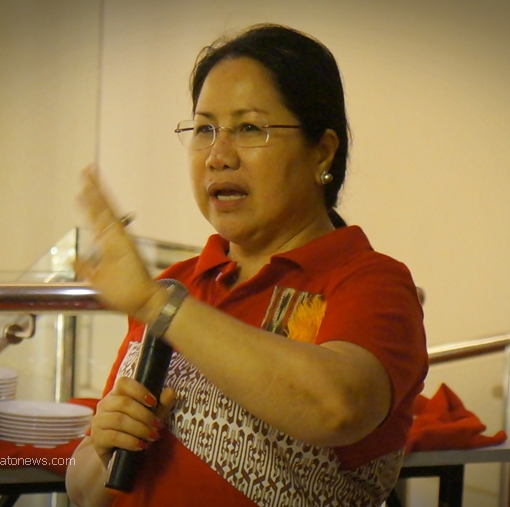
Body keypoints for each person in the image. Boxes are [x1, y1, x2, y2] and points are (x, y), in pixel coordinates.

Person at [66, 23, 428, 507]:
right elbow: (83, 490)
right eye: (204, 130)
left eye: (250, 128)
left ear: (322, 152)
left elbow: (337, 408)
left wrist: (159, 306)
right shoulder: (178, 284)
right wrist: (104, 445)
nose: (218, 156)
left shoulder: (371, 283)